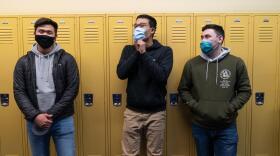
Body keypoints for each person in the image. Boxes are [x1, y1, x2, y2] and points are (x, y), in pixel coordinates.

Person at [178, 24, 251, 156]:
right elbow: (183, 90)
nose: (202, 40)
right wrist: (197, 107)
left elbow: (245, 90)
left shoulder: (236, 63)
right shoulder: (192, 64)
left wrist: (230, 108)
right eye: (201, 37)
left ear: (220, 39)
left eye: (207, 36)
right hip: (200, 126)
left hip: (226, 128)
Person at [13, 17, 79, 156]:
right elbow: (19, 91)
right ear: (35, 33)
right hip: (34, 120)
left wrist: (50, 114)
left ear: (56, 35)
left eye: (49, 32)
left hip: (62, 119)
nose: (45, 35)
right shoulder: (23, 62)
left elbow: (72, 89)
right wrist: (35, 115)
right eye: (41, 31)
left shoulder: (67, 59)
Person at [117, 14, 173, 156]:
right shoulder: (128, 50)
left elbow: (161, 76)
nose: (137, 28)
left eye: (142, 26)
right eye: (135, 26)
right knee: (128, 153)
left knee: (155, 153)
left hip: (156, 114)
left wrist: (144, 53)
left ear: (152, 30)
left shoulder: (165, 51)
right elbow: (121, 73)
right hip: (132, 112)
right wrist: (137, 52)